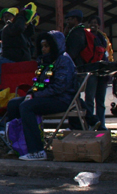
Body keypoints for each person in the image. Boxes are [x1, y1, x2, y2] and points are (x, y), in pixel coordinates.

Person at [7, 31, 77, 161]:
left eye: (47, 46)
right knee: (13, 104)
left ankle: (36, 150)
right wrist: (32, 93)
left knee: (27, 107)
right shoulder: (45, 61)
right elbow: (40, 83)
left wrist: (35, 95)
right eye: (42, 46)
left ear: (55, 45)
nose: (43, 49)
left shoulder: (64, 60)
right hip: (46, 97)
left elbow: (59, 88)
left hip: (61, 99)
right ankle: (18, 144)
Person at [85, 16, 113, 130]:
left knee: (100, 100)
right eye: (91, 22)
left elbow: (108, 54)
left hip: (102, 72)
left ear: (99, 25)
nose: (93, 24)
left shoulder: (103, 38)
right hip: (92, 71)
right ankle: (90, 123)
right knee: (89, 100)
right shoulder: (86, 37)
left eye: (95, 23)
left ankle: (101, 124)